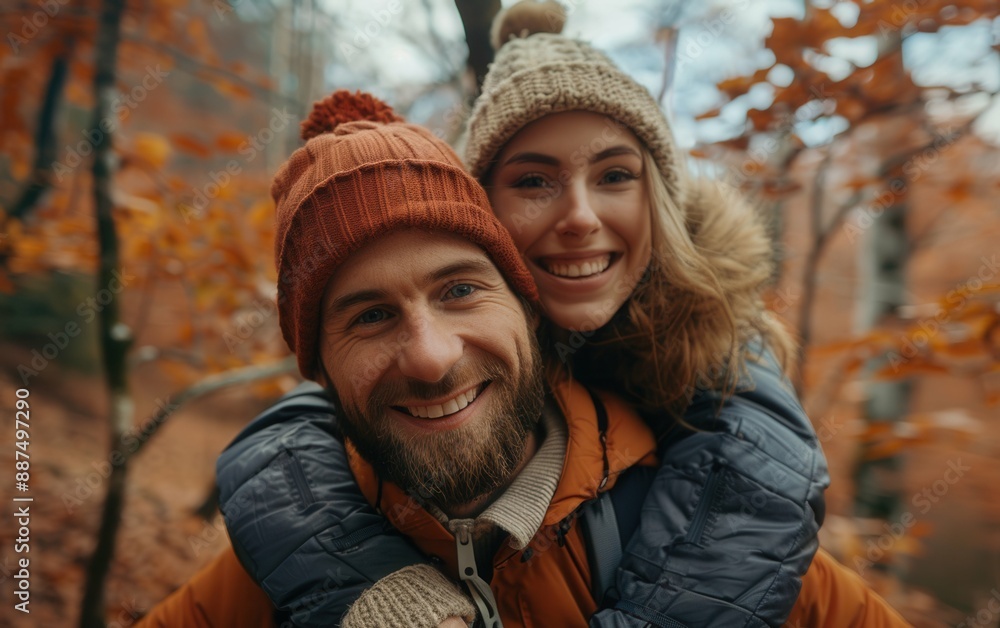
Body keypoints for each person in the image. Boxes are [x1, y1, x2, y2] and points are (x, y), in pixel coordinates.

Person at [138, 88, 908, 628]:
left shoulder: (726, 548)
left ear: (531, 308)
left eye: (462, 290)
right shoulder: (270, 578)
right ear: (319, 368)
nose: (432, 358)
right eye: (370, 317)